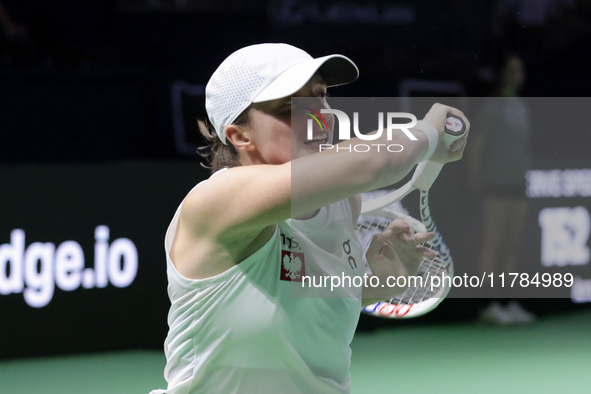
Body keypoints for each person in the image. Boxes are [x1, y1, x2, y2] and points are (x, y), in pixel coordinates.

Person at [150, 43, 469, 394]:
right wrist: (428, 132)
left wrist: (375, 283)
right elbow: (374, 162)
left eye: (320, 96)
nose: (320, 114)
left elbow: (300, 305)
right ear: (240, 136)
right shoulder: (216, 202)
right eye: (290, 106)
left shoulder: (344, 203)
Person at [471, 53, 535, 325]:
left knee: (512, 246)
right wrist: (476, 183)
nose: (515, 74)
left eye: (519, 69)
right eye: (510, 69)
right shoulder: (492, 106)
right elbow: (476, 148)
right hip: (494, 184)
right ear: (501, 74)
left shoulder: (522, 106)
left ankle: (508, 302)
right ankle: (489, 305)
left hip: (518, 184)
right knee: (493, 245)